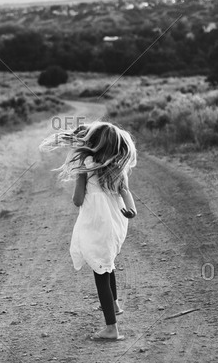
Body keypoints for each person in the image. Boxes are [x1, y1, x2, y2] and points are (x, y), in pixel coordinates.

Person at [40, 121, 137, 341]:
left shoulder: (87, 164)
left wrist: (80, 181)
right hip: (115, 222)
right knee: (107, 263)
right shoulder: (117, 167)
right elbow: (126, 192)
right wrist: (132, 210)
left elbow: (77, 200)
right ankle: (113, 303)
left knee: (100, 270)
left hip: (96, 222)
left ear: (93, 142)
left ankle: (111, 328)